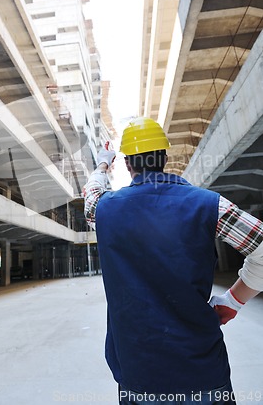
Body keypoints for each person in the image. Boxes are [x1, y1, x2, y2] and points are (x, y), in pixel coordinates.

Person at [83, 117, 263, 405]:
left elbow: (91, 194)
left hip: (138, 376)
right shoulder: (209, 204)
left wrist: (104, 163)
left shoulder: (104, 210)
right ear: (165, 158)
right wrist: (233, 301)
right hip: (204, 373)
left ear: (128, 165)